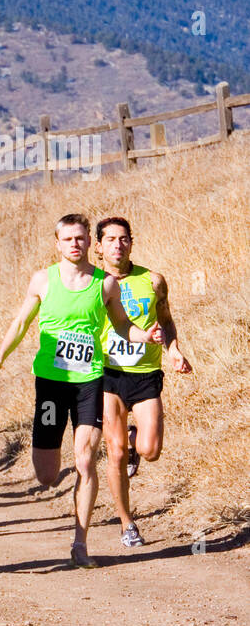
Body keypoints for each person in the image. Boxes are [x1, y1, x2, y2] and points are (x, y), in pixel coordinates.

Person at [0, 213, 165, 568]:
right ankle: (64, 499)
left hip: (88, 382)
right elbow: (21, 322)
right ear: (58, 244)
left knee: (85, 459)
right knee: (47, 474)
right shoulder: (43, 280)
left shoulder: (105, 284)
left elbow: (124, 326)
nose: (75, 244)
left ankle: (80, 543)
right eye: (68, 239)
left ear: (88, 243)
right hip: (52, 385)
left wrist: (147, 335)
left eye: (80, 238)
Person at [95, 217, 193, 547]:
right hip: (108, 375)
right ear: (99, 246)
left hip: (146, 373)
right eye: (110, 239)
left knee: (150, 451)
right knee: (116, 453)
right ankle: (127, 524)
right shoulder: (92, 284)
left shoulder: (152, 281)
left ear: (131, 243)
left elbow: (166, 320)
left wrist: (174, 351)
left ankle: (136, 437)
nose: (117, 245)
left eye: (123, 239)